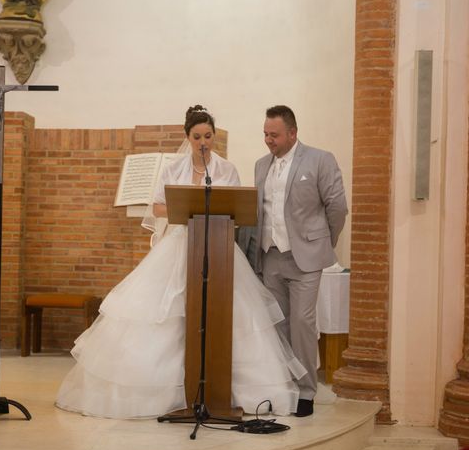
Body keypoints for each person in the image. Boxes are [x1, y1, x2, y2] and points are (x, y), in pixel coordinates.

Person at [56, 105, 305, 419]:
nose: (204, 141)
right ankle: (173, 392)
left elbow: (238, 208)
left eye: (208, 136)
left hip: (218, 249)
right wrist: (183, 204)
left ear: (214, 137)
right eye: (197, 136)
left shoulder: (226, 169)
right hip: (179, 246)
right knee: (170, 314)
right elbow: (158, 208)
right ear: (188, 138)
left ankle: (222, 388)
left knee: (230, 312)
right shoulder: (173, 169)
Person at [253, 105, 348, 417]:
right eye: (266, 133)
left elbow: (337, 207)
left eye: (274, 134)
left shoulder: (320, 159)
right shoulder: (260, 165)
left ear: (292, 133)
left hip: (305, 258)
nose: (268, 139)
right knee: (278, 324)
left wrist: (323, 243)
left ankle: (306, 392)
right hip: (271, 257)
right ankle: (284, 386)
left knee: (303, 324)